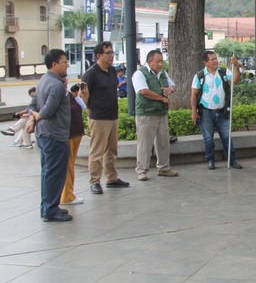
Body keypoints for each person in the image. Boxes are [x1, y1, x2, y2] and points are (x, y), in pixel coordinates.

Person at [26, 49, 72, 222]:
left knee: (47, 172)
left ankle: (47, 207)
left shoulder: (44, 80)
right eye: (64, 62)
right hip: (55, 135)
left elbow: (32, 105)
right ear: (55, 64)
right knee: (54, 173)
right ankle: (50, 209)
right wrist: (37, 116)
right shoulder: (57, 85)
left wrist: (33, 118)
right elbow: (49, 109)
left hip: (44, 134)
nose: (67, 64)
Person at [81, 41, 130, 195]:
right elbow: (84, 96)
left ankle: (111, 178)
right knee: (97, 152)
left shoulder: (111, 71)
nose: (111, 56)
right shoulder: (90, 74)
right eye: (108, 53)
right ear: (98, 56)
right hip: (98, 118)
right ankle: (94, 181)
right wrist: (91, 111)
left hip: (112, 116)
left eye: (112, 53)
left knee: (111, 150)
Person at [191, 51, 243, 170]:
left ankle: (232, 159)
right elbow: (194, 95)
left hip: (222, 111)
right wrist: (194, 111)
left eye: (216, 58)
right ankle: (210, 160)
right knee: (208, 138)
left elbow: (235, 80)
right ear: (205, 62)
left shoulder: (224, 72)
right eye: (212, 59)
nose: (215, 61)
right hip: (206, 112)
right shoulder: (200, 76)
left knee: (226, 136)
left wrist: (236, 66)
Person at [132, 50, 179, 181]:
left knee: (163, 143)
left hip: (161, 113)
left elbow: (173, 85)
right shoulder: (139, 74)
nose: (160, 64)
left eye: (161, 61)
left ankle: (164, 168)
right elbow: (144, 91)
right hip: (146, 114)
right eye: (157, 61)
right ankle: (142, 171)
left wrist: (171, 89)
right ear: (149, 61)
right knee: (145, 145)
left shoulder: (162, 73)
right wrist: (162, 98)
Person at [60, 83, 87, 206]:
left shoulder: (70, 95)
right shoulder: (57, 95)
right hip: (67, 135)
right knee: (67, 166)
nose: (65, 82)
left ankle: (68, 194)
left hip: (76, 133)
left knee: (70, 165)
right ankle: (66, 195)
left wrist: (79, 93)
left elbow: (83, 106)